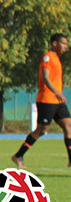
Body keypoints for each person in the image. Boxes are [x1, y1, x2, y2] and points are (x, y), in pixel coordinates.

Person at [11, 33, 71, 168]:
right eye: (63, 44)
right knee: (42, 130)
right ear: (55, 43)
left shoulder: (57, 59)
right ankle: (18, 155)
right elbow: (45, 77)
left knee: (69, 126)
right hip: (47, 100)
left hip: (57, 101)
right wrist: (57, 93)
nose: (66, 47)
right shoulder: (47, 57)